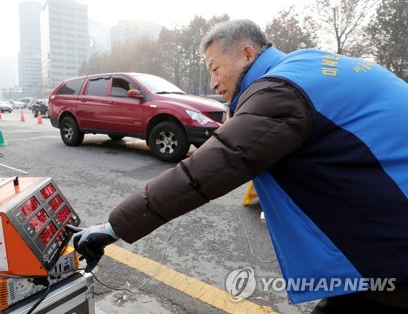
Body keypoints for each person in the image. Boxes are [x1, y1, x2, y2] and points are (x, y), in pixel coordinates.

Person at [72, 19, 408, 313]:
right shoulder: (306, 65)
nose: (214, 83)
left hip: (391, 242)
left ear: (248, 54)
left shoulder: (281, 91)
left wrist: (112, 227)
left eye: (216, 69)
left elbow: (204, 172)